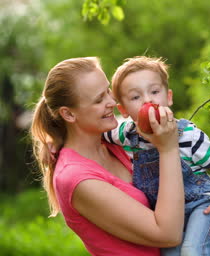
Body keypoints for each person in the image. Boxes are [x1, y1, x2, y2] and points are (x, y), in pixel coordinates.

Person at [30, 57, 185, 256]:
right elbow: (168, 234)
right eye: (99, 99)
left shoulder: (113, 140)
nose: (112, 102)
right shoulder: (77, 179)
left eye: (108, 91)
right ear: (68, 115)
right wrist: (168, 149)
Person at [103, 56, 210, 256]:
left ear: (169, 97)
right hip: (169, 219)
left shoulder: (188, 134)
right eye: (136, 97)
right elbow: (95, 131)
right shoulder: (127, 134)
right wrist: (56, 138)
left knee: (192, 251)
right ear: (123, 110)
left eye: (155, 92)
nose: (148, 100)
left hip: (202, 206)